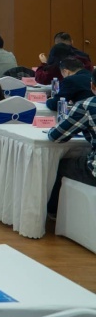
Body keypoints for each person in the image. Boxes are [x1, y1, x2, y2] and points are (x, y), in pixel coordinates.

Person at [47, 75, 96, 217]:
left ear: (92, 86)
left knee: (59, 165)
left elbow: (56, 136)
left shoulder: (87, 105)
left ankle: (53, 213)